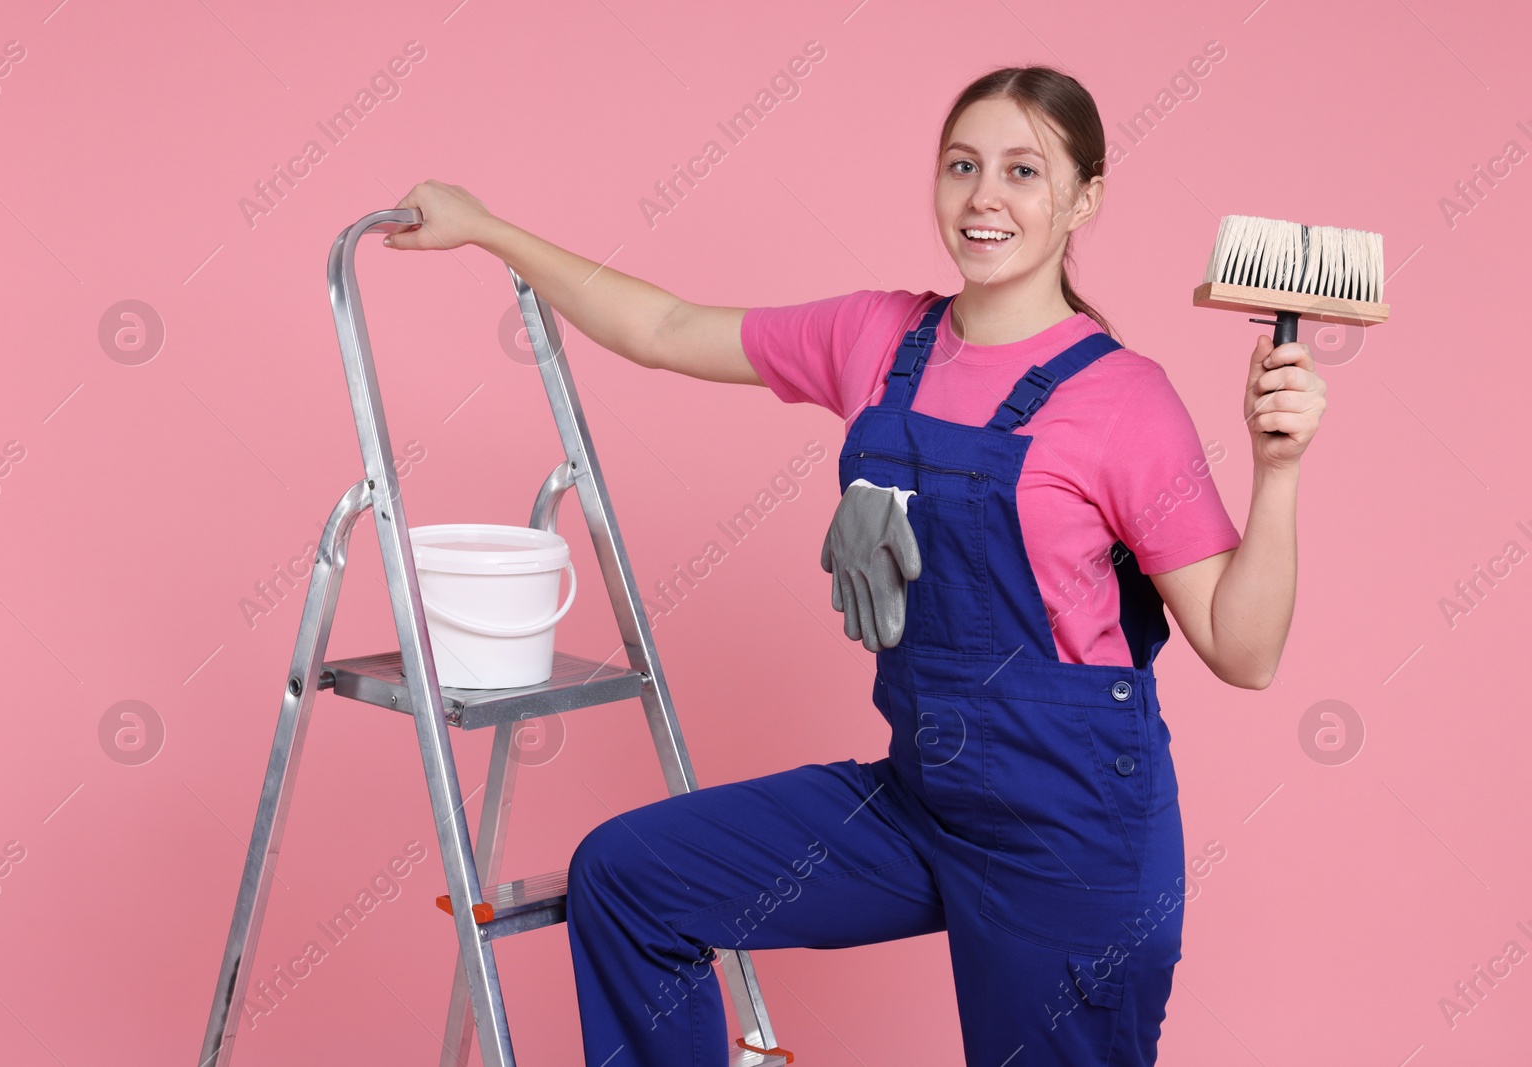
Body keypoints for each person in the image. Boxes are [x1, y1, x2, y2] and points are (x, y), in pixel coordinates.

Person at [385, 63, 1323, 1067]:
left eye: (1022, 170)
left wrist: (1278, 469)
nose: (983, 197)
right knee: (629, 879)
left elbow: (1243, 646)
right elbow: (661, 328)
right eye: (961, 165)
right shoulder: (880, 338)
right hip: (924, 799)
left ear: (1081, 198)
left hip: (1071, 838)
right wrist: (488, 228)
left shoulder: (1126, 401)